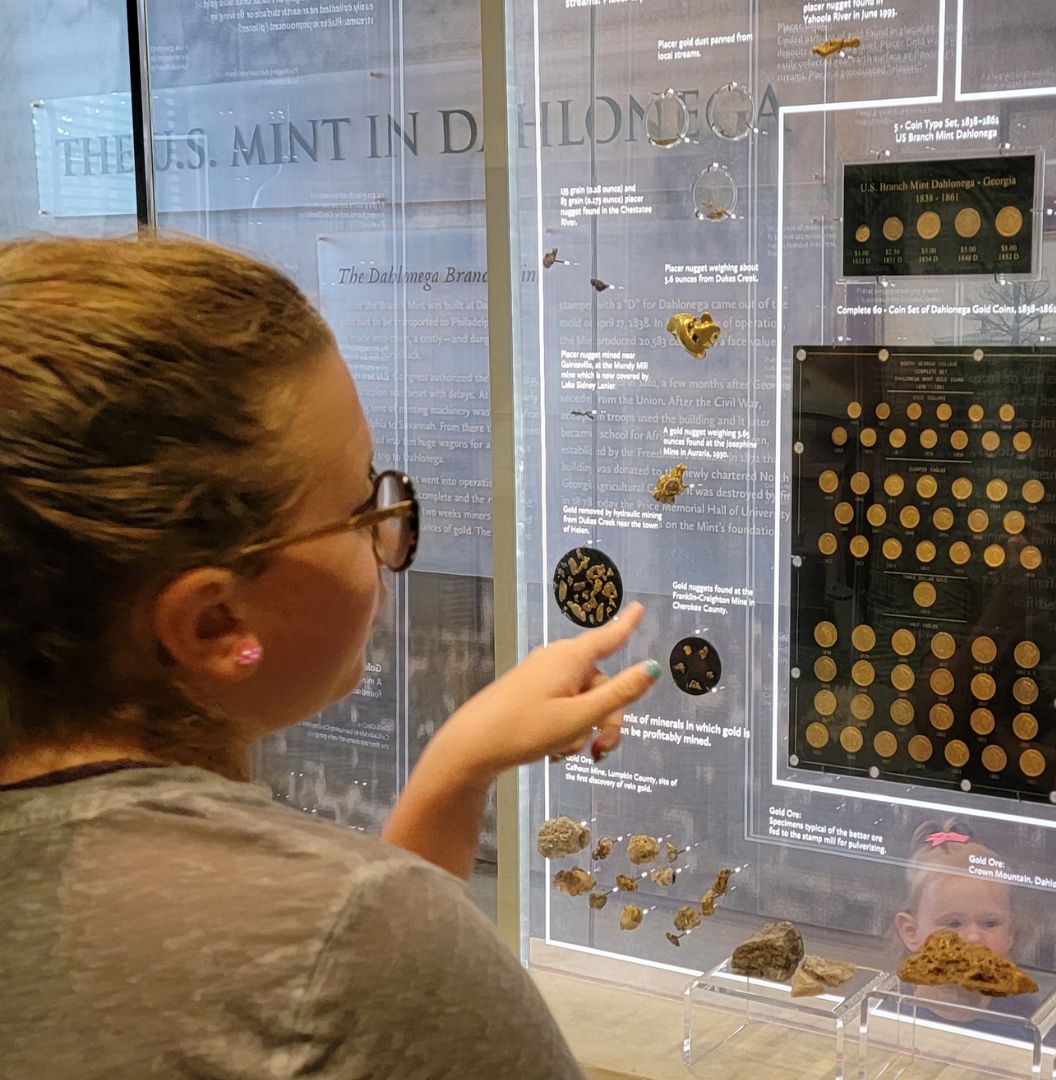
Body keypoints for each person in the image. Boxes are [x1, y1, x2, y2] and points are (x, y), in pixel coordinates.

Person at [0, 235, 661, 1079]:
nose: (387, 532)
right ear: (211, 622)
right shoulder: (354, 944)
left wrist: (453, 772)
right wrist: (392, 907)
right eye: (362, 508)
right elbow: (333, 980)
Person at [893, 821, 1036, 1030]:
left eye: (990, 923)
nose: (973, 937)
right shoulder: (890, 1006)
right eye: (954, 923)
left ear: (1010, 933)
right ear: (911, 932)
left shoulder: (1029, 1017)